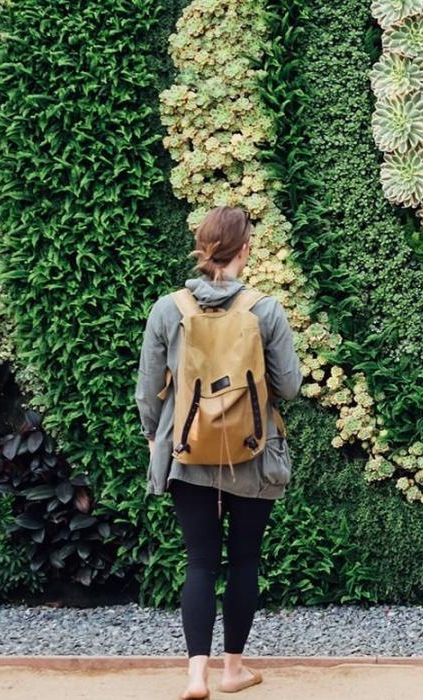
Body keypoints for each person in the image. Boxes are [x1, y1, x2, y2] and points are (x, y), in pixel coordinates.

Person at [136, 206, 300, 699]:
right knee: (245, 559)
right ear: (245, 249)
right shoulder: (264, 309)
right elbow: (289, 387)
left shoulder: (169, 308)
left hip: (187, 450)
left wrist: (154, 436)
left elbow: (148, 391)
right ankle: (233, 671)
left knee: (200, 562)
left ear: (202, 246)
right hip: (253, 450)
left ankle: (195, 676)